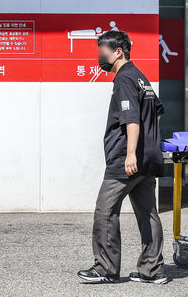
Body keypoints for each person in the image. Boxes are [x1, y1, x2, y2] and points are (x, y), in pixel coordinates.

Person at [77, 30, 168, 284]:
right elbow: (157, 112)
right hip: (149, 158)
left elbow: (131, 120)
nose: (100, 57)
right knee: (148, 212)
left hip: (127, 160)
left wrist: (130, 153)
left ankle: (105, 269)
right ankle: (152, 271)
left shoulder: (125, 79)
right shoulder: (140, 77)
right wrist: (146, 145)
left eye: (102, 51)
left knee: (105, 210)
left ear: (118, 52)